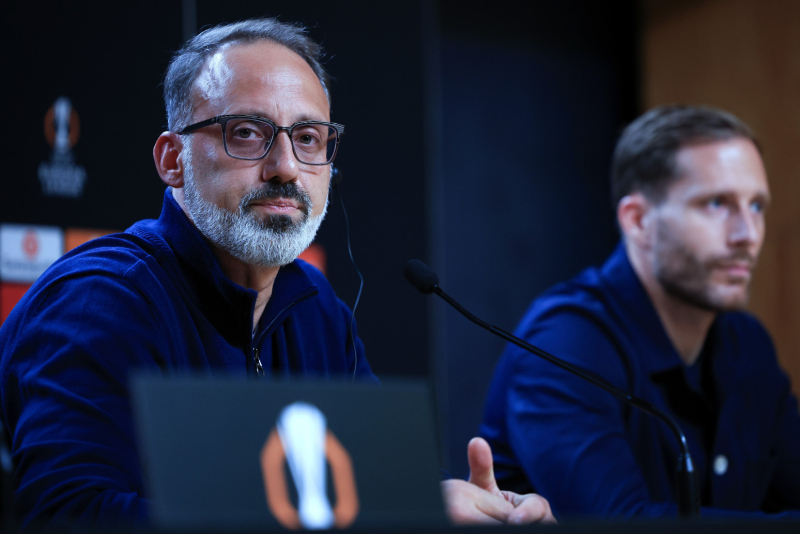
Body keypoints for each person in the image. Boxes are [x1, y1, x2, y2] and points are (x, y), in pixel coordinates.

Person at [0, 19, 553, 528]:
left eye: (308, 138)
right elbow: (67, 514)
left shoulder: (316, 309)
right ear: (173, 160)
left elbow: (378, 487)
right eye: (246, 132)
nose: (286, 167)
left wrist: (460, 508)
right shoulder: (99, 301)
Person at [481, 105, 800, 518]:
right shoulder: (566, 341)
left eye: (756, 206)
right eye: (717, 203)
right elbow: (623, 523)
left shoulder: (747, 342)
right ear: (638, 220)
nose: (748, 235)